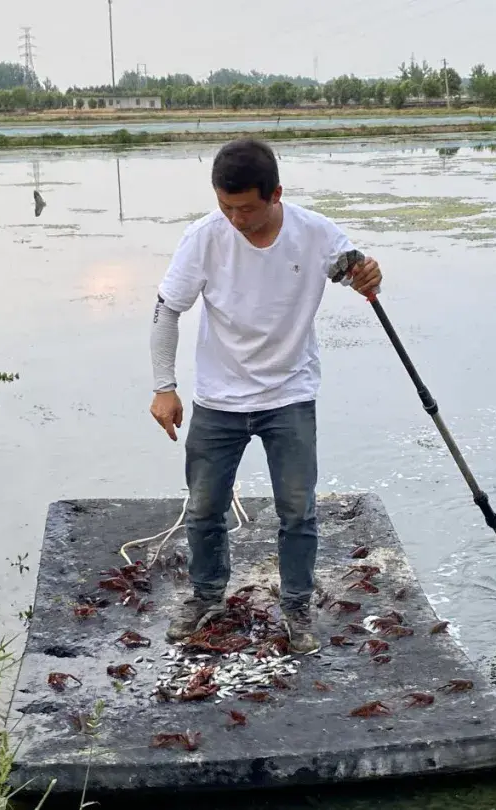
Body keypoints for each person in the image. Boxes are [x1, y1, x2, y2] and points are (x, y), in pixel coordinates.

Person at [148, 137, 382, 654]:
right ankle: (207, 593)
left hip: (290, 393)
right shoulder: (203, 238)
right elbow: (167, 309)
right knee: (205, 507)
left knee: (297, 510)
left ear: (277, 193)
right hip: (218, 399)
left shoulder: (316, 234)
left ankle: (297, 604)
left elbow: (357, 273)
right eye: (225, 206)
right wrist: (165, 386)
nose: (235, 219)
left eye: (247, 208)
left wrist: (368, 274)